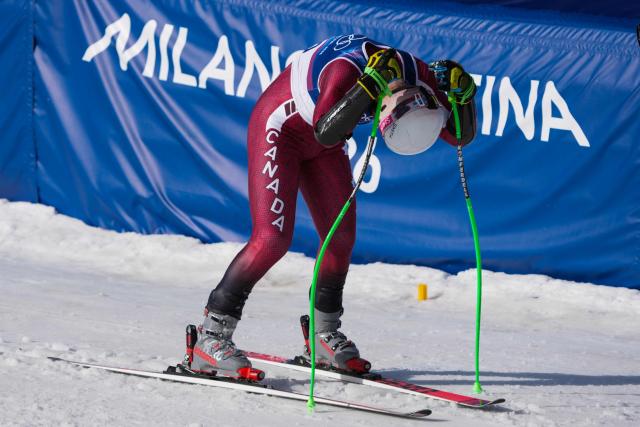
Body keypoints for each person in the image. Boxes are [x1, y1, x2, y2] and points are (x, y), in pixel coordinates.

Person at [190, 34, 477, 379]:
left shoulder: (417, 77)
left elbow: (458, 135)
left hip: (324, 141)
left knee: (340, 240)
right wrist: (367, 86)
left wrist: (463, 97)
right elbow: (325, 130)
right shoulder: (345, 70)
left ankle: (323, 335)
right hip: (282, 131)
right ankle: (210, 338)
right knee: (271, 240)